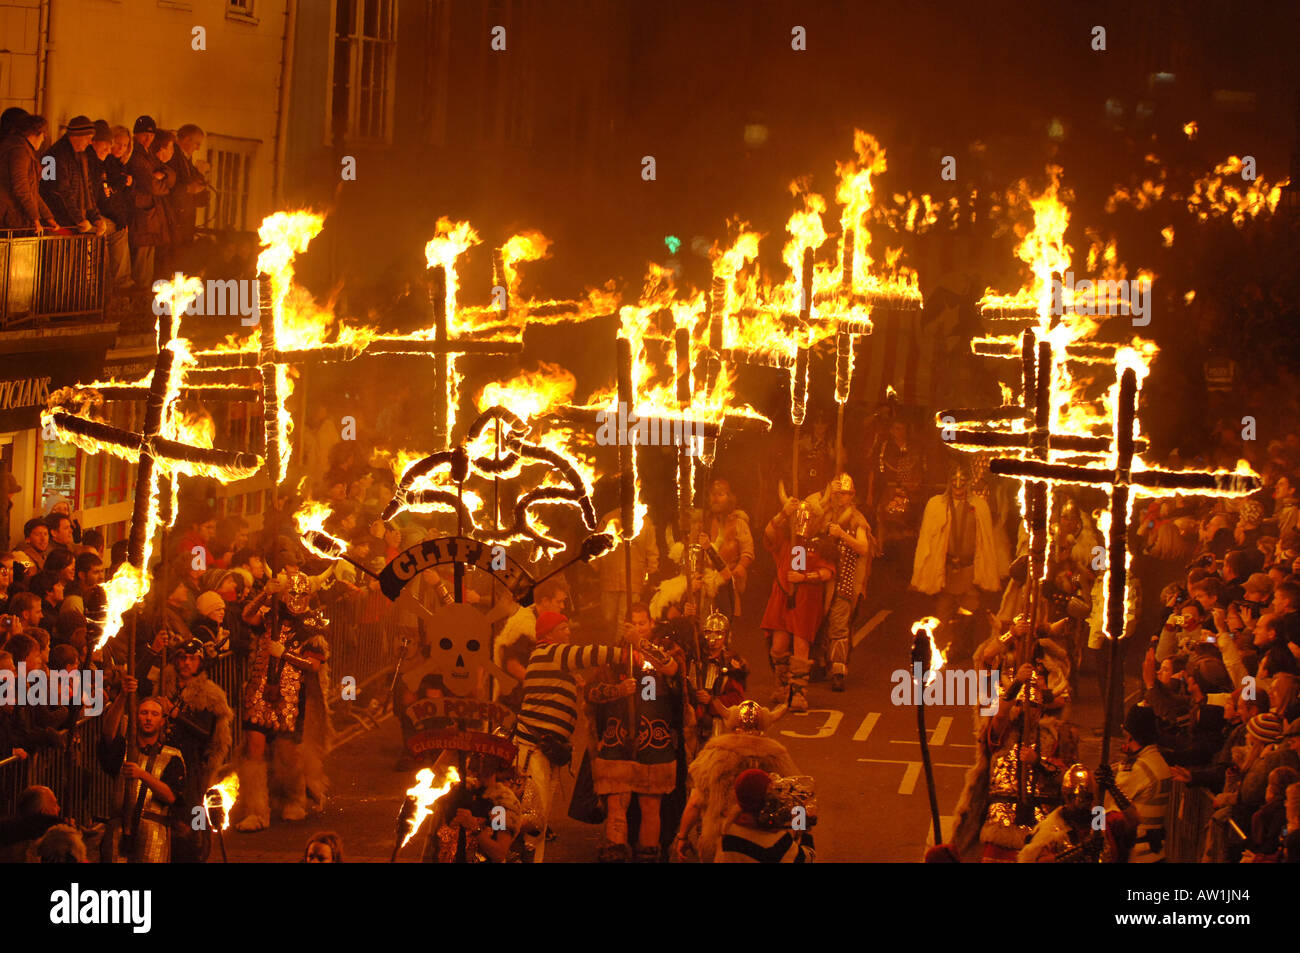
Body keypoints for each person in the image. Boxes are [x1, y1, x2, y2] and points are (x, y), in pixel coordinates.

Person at [511, 610, 633, 862]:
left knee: (540, 817)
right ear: (548, 634)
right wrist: (626, 653)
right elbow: (589, 653)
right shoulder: (550, 653)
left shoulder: (551, 660)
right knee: (533, 815)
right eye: (563, 629)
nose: (569, 633)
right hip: (533, 748)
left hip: (548, 750)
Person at [586, 603, 690, 862]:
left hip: (655, 738)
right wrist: (618, 691)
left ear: (651, 623)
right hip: (617, 738)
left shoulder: (665, 647)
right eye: (632, 624)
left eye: (642, 623)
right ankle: (616, 854)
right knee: (616, 804)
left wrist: (641, 645)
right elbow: (592, 691)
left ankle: (648, 856)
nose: (638, 628)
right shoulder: (613, 653)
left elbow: (673, 669)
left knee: (650, 804)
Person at [233, 571, 330, 831]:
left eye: (301, 594)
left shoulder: (313, 624)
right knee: (253, 747)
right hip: (259, 688)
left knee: (287, 753)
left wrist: (284, 654)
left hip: (291, 695)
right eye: (292, 593)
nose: (296, 598)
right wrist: (266, 592)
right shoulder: (270, 612)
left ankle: (294, 800)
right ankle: (255, 811)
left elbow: (313, 664)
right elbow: (246, 616)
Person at [676, 700, 799, 862]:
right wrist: (798, 838)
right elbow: (795, 802)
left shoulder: (714, 754)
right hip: (767, 843)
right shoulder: (777, 756)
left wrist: (682, 837)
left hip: (720, 842)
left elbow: (695, 802)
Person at [911, 464, 1000, 660]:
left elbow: (985, 542)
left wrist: (984, 569)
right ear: (949, 483)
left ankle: (962, 648)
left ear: (968, 483)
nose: (958, 486)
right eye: (955, 481)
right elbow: (927, 540)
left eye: (962, 481)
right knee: (943, 612)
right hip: (946, 568)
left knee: (968, 612)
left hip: (969, 567)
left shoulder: (979, 507)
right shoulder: (937, 505)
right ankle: (943, 648)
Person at [157, 637, 233, 862]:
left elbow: (205, 732)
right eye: (182, 657)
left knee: (192, 821)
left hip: (193, 766)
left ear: (200, 662)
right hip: (164, 762)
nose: (186, 663)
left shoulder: (210, 694)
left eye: (192, 658)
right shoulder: (162, 686)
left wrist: (176, 715)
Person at [99, 683, 186, 863]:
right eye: (143, 713)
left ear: (162, 721)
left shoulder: (172, 756)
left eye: (154, 714)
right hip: (119, 827)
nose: (148, 718)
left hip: (153, 829)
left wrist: (142, 775)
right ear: (136, 717)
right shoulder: (123, 749)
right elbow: (108, 733)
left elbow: (171, 797)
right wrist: (123, 695)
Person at [760, 497, 833, 711]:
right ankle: (782, 687)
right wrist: (783, 512)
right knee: (778, 647)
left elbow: (827, 572)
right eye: (799, 517)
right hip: (782, 597)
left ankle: (798, 694)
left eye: (808, 517)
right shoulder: (786, 541)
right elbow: (768, 533)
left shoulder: (822, 545)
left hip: (806, 600)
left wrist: (804, 577)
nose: (803, 521)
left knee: (801, 646)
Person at [815, 472, 876, 691]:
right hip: (821, 581)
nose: (841, 498)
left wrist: (841, 534)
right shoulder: (825, 515)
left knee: (839, 627)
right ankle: (820, 664)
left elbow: (863, 548)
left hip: (844, 582)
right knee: (819, 625)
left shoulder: (856, 519)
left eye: (845, 494)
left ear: (852, 496)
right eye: (838, 494)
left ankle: (838, 671)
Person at [1104, 705, 1172, 863]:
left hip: (1137, 853)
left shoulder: (1138, 769)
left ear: (1129, 735)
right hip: (1157, 852)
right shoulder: (1159, 762)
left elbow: (1109, 808)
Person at [715, 768, 817, 863]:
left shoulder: (728, 830)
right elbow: (807, 858)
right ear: (768, 799)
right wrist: (803, 827)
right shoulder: (775, 842)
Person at [692, 478, 755, 619]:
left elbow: (748, 552)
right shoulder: (702, 524)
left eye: (720, 494)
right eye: (713, 494)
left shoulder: (739, 523)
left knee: (724, 627)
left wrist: (735, 573)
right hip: (704, 585)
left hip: (727, 583)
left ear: (729, 498)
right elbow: (692, 552)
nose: (715, 498)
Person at [126, 116, 174, 286]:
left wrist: (163, 177)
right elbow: (152, 185)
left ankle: (142, 300)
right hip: (141, 215)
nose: (148, 139)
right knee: (140, 263)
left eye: (151, 135)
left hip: (150, 216)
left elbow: (168, 174)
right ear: (136, 134)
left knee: (147, 261)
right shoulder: (136, 155)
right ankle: (137, 302)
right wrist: (164, 185)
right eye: (144, 135)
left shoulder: (149, 154)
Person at [688, 611, 748, 744]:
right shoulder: (693, 659)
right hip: (692, 719)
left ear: (726, 636)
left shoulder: (731, 664)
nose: (713, 637)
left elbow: (737, 699)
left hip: (718, 722)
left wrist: (712, 700)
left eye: (719, 633)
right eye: (708, 632)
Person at [0, 113, 57, 232]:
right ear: (38, 133)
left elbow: (32, 191)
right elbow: (21, 188)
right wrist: (35, 218)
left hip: (12, 217)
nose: (43, 139)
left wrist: (48, 217)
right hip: (10, 219)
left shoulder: (20, 149)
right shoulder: (20, 152)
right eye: (43, 135)